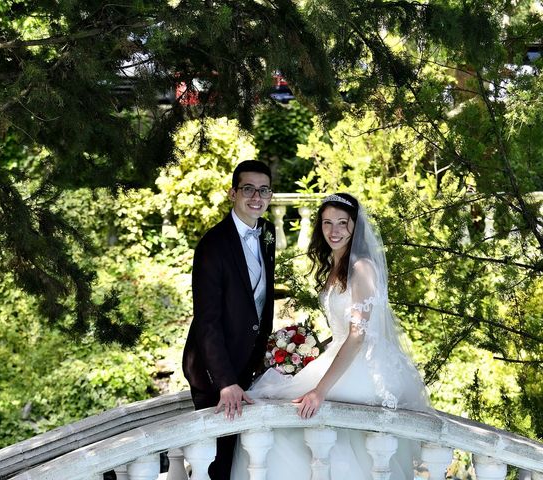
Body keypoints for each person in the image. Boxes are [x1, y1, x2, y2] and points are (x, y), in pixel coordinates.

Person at [230, 193, 430, 480]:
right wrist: (306, 352)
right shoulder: (335, 267)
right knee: (271, 407)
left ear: (355, 227)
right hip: (338, 353)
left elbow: (358, 335)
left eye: (342, 223)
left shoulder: (362, 268)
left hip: (361, 367)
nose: (333, 231)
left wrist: (319, 390)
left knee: (290, 422)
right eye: (327, 223)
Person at [182, 160, 277, 480]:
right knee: (216, 463)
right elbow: (207, 321)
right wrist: (225, 383)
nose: (256, 197)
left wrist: (265, 356)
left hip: (249, 367)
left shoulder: (268, 233)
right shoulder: (212, 245)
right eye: (248, 189)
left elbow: (260, 301)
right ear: (233, 193)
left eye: (264, 190)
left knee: (244, 457)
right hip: (214, 373)